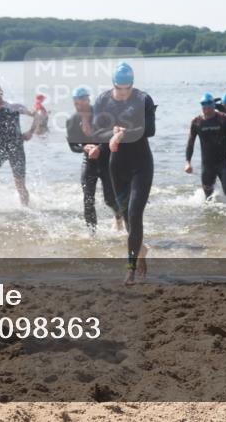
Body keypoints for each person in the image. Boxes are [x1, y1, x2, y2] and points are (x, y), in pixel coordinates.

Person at [91, 62, 156, 285]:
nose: (124, 92)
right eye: (120, 88)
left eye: (127, 88)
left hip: (141, 164)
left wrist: (123, 133)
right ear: (114, 84)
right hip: (117, 165)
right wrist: (112, 133)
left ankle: (129, 269)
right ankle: (141, 251)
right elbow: (97, 129)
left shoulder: (143, 99)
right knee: (127, 216)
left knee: (135, 213)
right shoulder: (102, 100)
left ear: (132, 84)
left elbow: (150, 130)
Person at [65, 86, 120, 232]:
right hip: (88, 161)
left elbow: (111, 137)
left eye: (81, 102)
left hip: (106, 159)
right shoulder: (72, 120)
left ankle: (119, 217)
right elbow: (72, 145)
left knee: (109, 199)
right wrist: (84, 148)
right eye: (76, 103)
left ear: (88, 100)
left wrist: (99, 148)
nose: (78, 106)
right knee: (88, 199)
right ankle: (92, 234)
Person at [184, 92, 226, 199]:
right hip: (207, 166)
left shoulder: (225, 119)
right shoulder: (196, 122)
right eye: (203, 104)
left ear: (213, 105)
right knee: (208, 199)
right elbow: (190, 143)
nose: (206, 107)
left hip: (224, 164)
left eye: (208, 104)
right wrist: (188, 162)